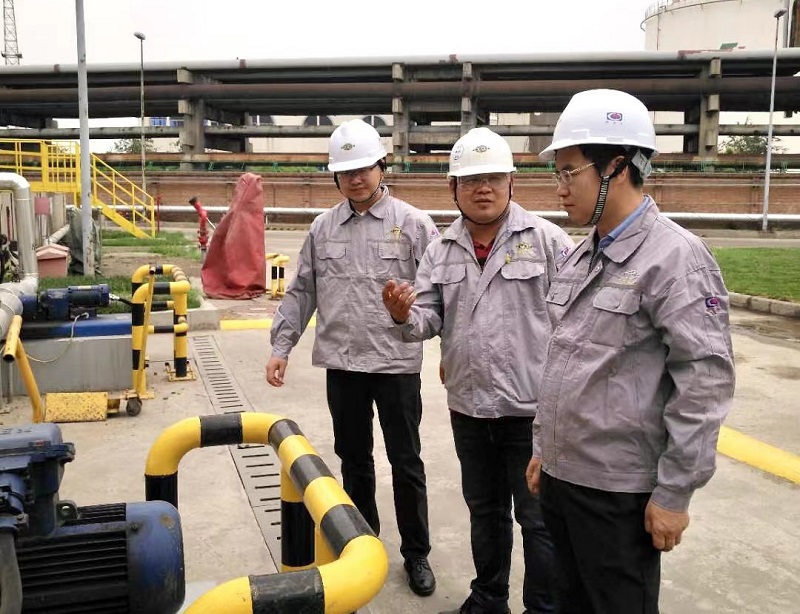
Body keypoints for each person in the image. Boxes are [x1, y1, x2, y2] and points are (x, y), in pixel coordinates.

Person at [525, 89, 736, 614]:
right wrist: (543, 449)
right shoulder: (581, 255)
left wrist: (674, 494)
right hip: (563, 481)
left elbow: (704, 384)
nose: (559, 187)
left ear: (616, 167)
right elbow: (564, 361)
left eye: (569, 171)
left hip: (618, 494)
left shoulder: (676, 258)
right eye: (557, 173)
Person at [383, 127, 573, 614]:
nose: (482, 189)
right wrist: (403, 316)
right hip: (469, 409)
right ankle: (488, 599)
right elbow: (428, 319)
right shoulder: (441, 249)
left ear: (512, 182)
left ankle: (543, 609)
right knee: (485, 511)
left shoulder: (548, 242)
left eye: (493, 178)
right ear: (453, 188)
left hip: (531, 413)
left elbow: (576, 326)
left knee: (537, 520)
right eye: (470, 180)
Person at [265, 118, 440, 597]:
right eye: (346, 172)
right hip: (343, 366)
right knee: (353, 460)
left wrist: (450, 350)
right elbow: (302, 291)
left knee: (406, 462)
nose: (356, 178)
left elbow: (440, 296)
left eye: (364, 168)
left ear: (382, 166)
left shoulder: (414, 225)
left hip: (396, 364)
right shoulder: (323, 229)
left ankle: (417, 553)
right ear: (335, 177)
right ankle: (364, 545)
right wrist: (281, 346)